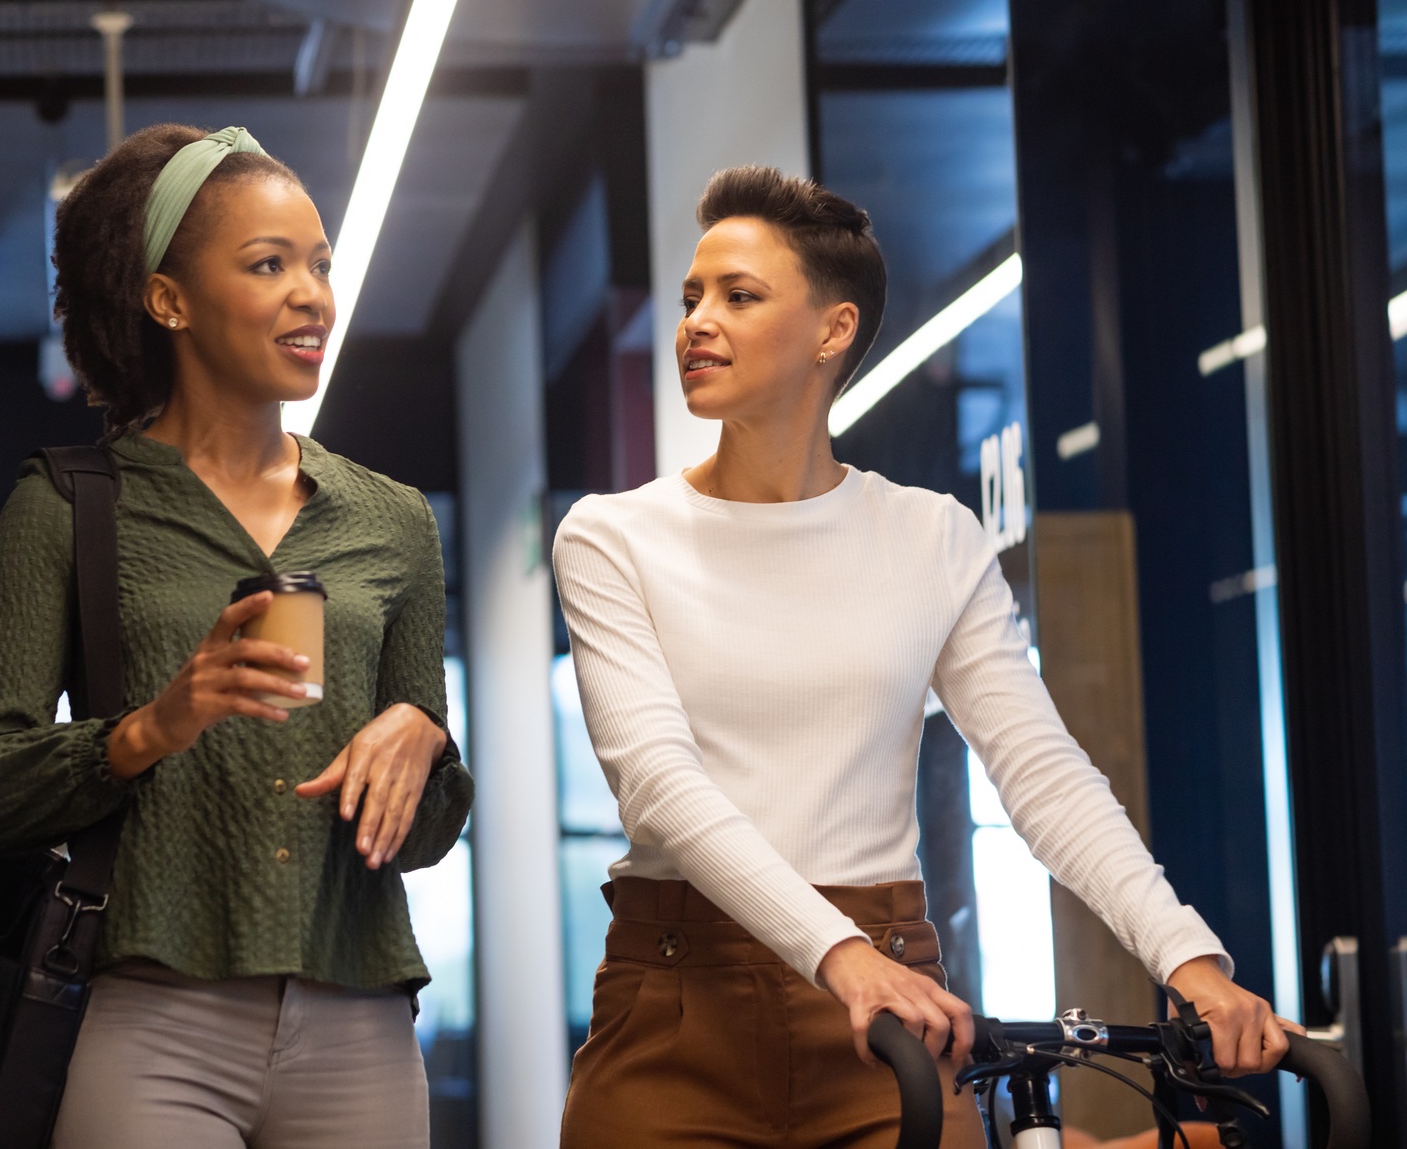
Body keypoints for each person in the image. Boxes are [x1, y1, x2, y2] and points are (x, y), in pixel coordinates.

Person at [551, 166, 1293, 1148]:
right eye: (692, 297)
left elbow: (1044, 779)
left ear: (831, 330)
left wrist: (1187, 959)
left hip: (884, 1018)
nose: (696, 322)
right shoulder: (612, 537)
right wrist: (837, 953)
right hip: (678, 1002)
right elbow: (656, 784)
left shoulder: (931, 540)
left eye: (737, 295)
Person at [0, 124, 473, 1149]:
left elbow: (431, 825)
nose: (311, 292)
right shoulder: (67, 505)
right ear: (168, 300)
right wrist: (152, 725)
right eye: (267, 264)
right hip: (146, 1019)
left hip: (357, 1018)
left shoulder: (392, 519)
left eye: (319, 264)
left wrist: (424, 741)